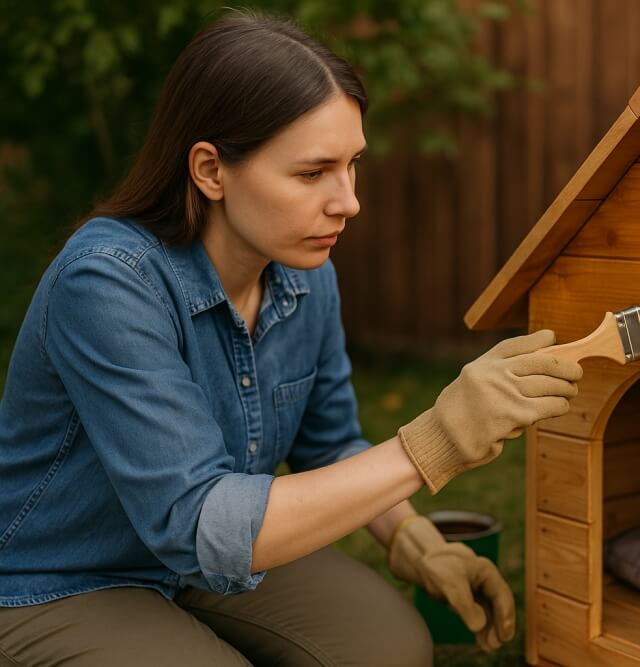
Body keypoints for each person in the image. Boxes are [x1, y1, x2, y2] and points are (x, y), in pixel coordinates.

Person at [0, 10, 582, 666]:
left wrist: (417, 541)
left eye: (352, 164)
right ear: (210, 171)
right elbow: (197, 521)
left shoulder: (307, 278)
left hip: (197, 566)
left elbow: (330, 444)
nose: (348, 201)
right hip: (57, 577)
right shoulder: (108, 283)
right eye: (313, 173)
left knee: (387, 648)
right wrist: (435, 443)